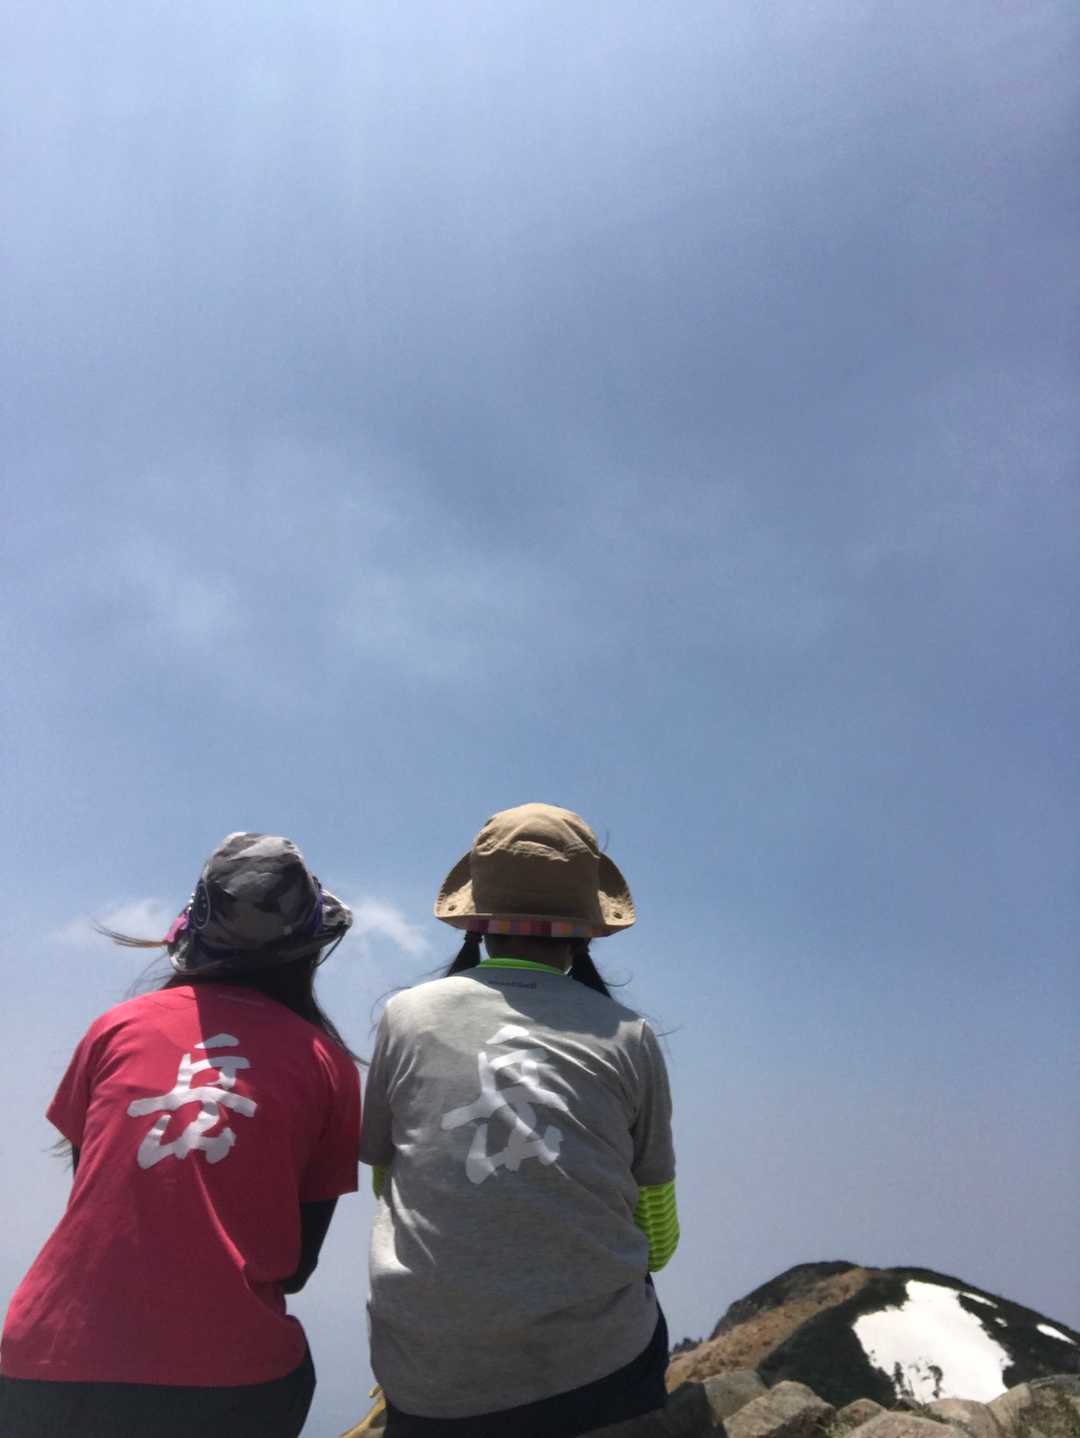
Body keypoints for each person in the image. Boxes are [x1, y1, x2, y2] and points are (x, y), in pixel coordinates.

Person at [0, 832, 362, 1438]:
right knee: (287, 1366)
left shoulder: (114, 1028)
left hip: (44, 1356)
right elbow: (295, 1267)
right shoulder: (326, 1064)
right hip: (222, 1383)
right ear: (306, 951)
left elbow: (97, 1203)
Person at [358, 803, 678, 1437]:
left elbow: (391, 1185)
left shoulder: (405, 1016)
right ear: (585, 930)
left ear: (476, 922)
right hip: (595, 1376)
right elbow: (658, 1241)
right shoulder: (627, 1036)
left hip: (427, 1379)